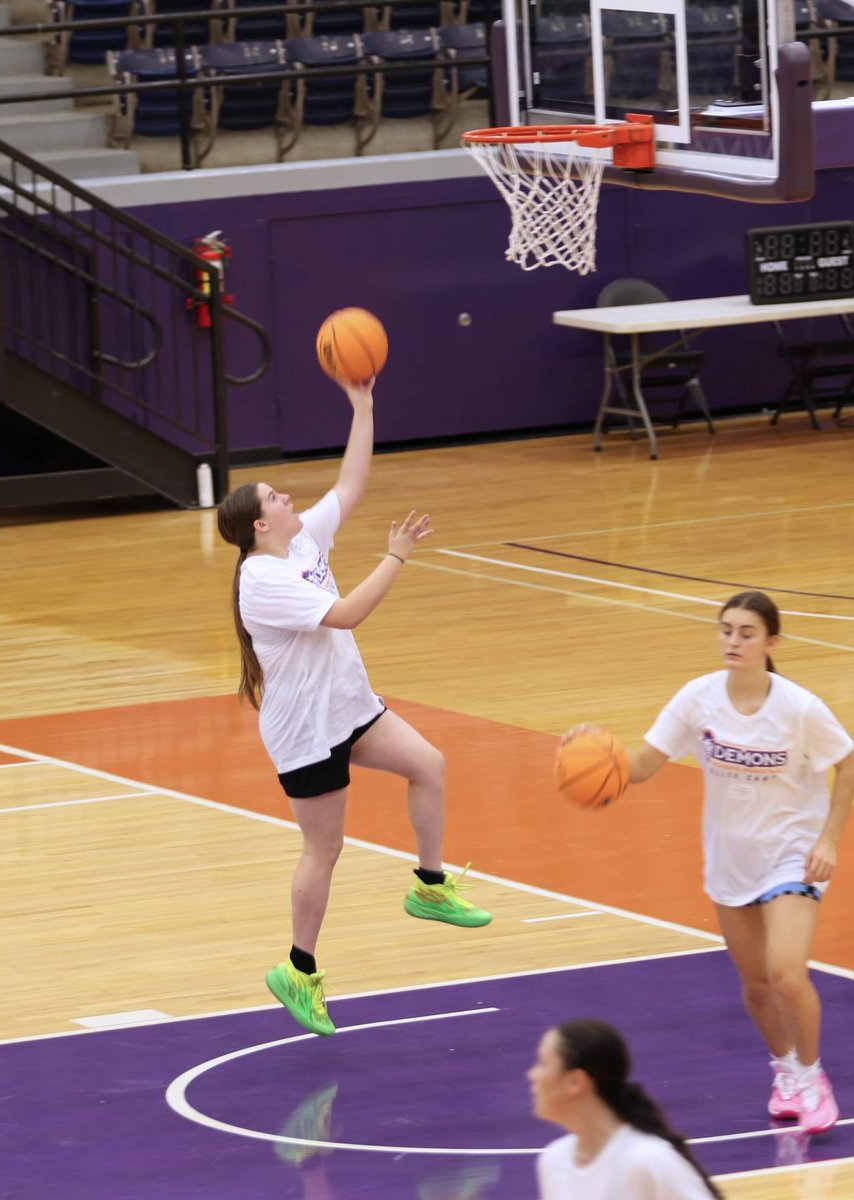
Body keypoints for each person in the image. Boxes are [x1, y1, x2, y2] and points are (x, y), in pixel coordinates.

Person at [216, 377, 491, 1038]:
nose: (288, 497)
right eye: (275, 497)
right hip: (305, 733)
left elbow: (351, 484)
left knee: (428, 764)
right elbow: (344, 614)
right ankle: (297, 969)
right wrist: (396, 557)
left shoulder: (301, 540)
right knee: (325, 849)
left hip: (348, 706)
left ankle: (430, 886)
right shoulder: (262, 579)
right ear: (259, 524)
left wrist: (363, 406)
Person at [563, 591, 854, 1135]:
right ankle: (786, 1072)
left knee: (787, 976)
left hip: (791, 854)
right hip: (731, 856)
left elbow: (849, 761)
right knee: (756, 985)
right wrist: (602, 756)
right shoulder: (698, 699)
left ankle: (814, 1078)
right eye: (726, 630)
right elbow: (646, 762)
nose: (733, 641)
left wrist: (829, 841)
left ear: (771, 642)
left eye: (746, 633)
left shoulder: (799, 707)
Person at [529, 1018, 722, 1199]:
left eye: (543, 1063)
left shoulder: (647, 1162)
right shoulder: (554, 1162)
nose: (532, 1075)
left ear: (575, 1081)